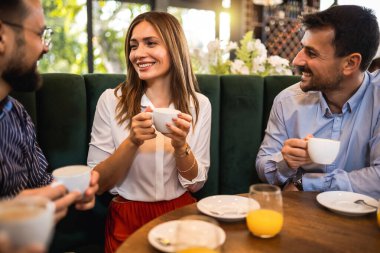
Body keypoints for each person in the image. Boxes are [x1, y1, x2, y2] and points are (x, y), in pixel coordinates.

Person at [87, 11, 211, 252]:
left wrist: (180, 146)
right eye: (134, 46)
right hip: (127, 216)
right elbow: (98, 183)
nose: (138, 54)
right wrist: (132, 141)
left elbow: (196, 184)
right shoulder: (111, 101)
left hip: (181, 213)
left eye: (150, 43)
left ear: (174, 48)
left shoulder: (199, 104)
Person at [0, 0, 99, 251]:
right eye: (39, 34)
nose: (45, 48)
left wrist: (70, 190)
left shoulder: (17, 115)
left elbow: (40, 185)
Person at [256, 5, 380, 199]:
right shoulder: (287, 101)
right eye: (302, 48)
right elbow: (264, 166)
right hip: (302, 215)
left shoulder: (377, 100)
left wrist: (305, 183)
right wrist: (285, 162)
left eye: (311, 53)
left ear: (350, 63)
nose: (296, 60)